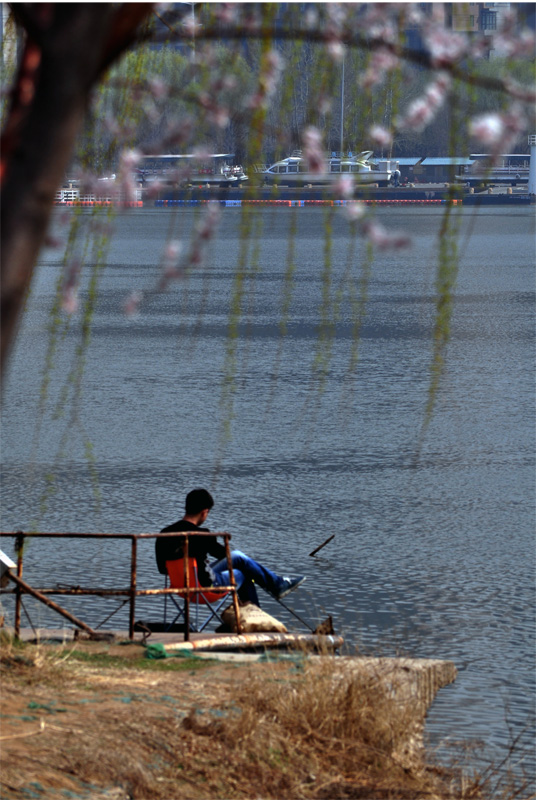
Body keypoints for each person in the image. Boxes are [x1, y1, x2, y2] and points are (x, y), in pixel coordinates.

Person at [156, 488, 305, 606]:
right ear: (204, 512)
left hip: (181, 588)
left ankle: (276, 585)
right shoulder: (202, 534)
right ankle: (264, 604)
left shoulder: (164, 534)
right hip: (206, 587)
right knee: (241, 566)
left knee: (238, 559)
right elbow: (225, 555)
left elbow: (162, 569)